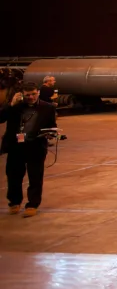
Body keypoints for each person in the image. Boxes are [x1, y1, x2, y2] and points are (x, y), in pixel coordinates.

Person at [1, 82, 56, 217]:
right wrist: (10, 105)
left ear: (38, 92)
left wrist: (51, 134)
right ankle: (14, 202)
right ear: (22, 94)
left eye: (33, 94)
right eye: (27, 95)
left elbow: (52, 125)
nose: (30, 97)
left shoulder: (47, 107)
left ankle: (32, 204)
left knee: (35, 177)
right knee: (13, 176)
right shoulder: (15, 106)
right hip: (16, 147)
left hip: (35, 147)